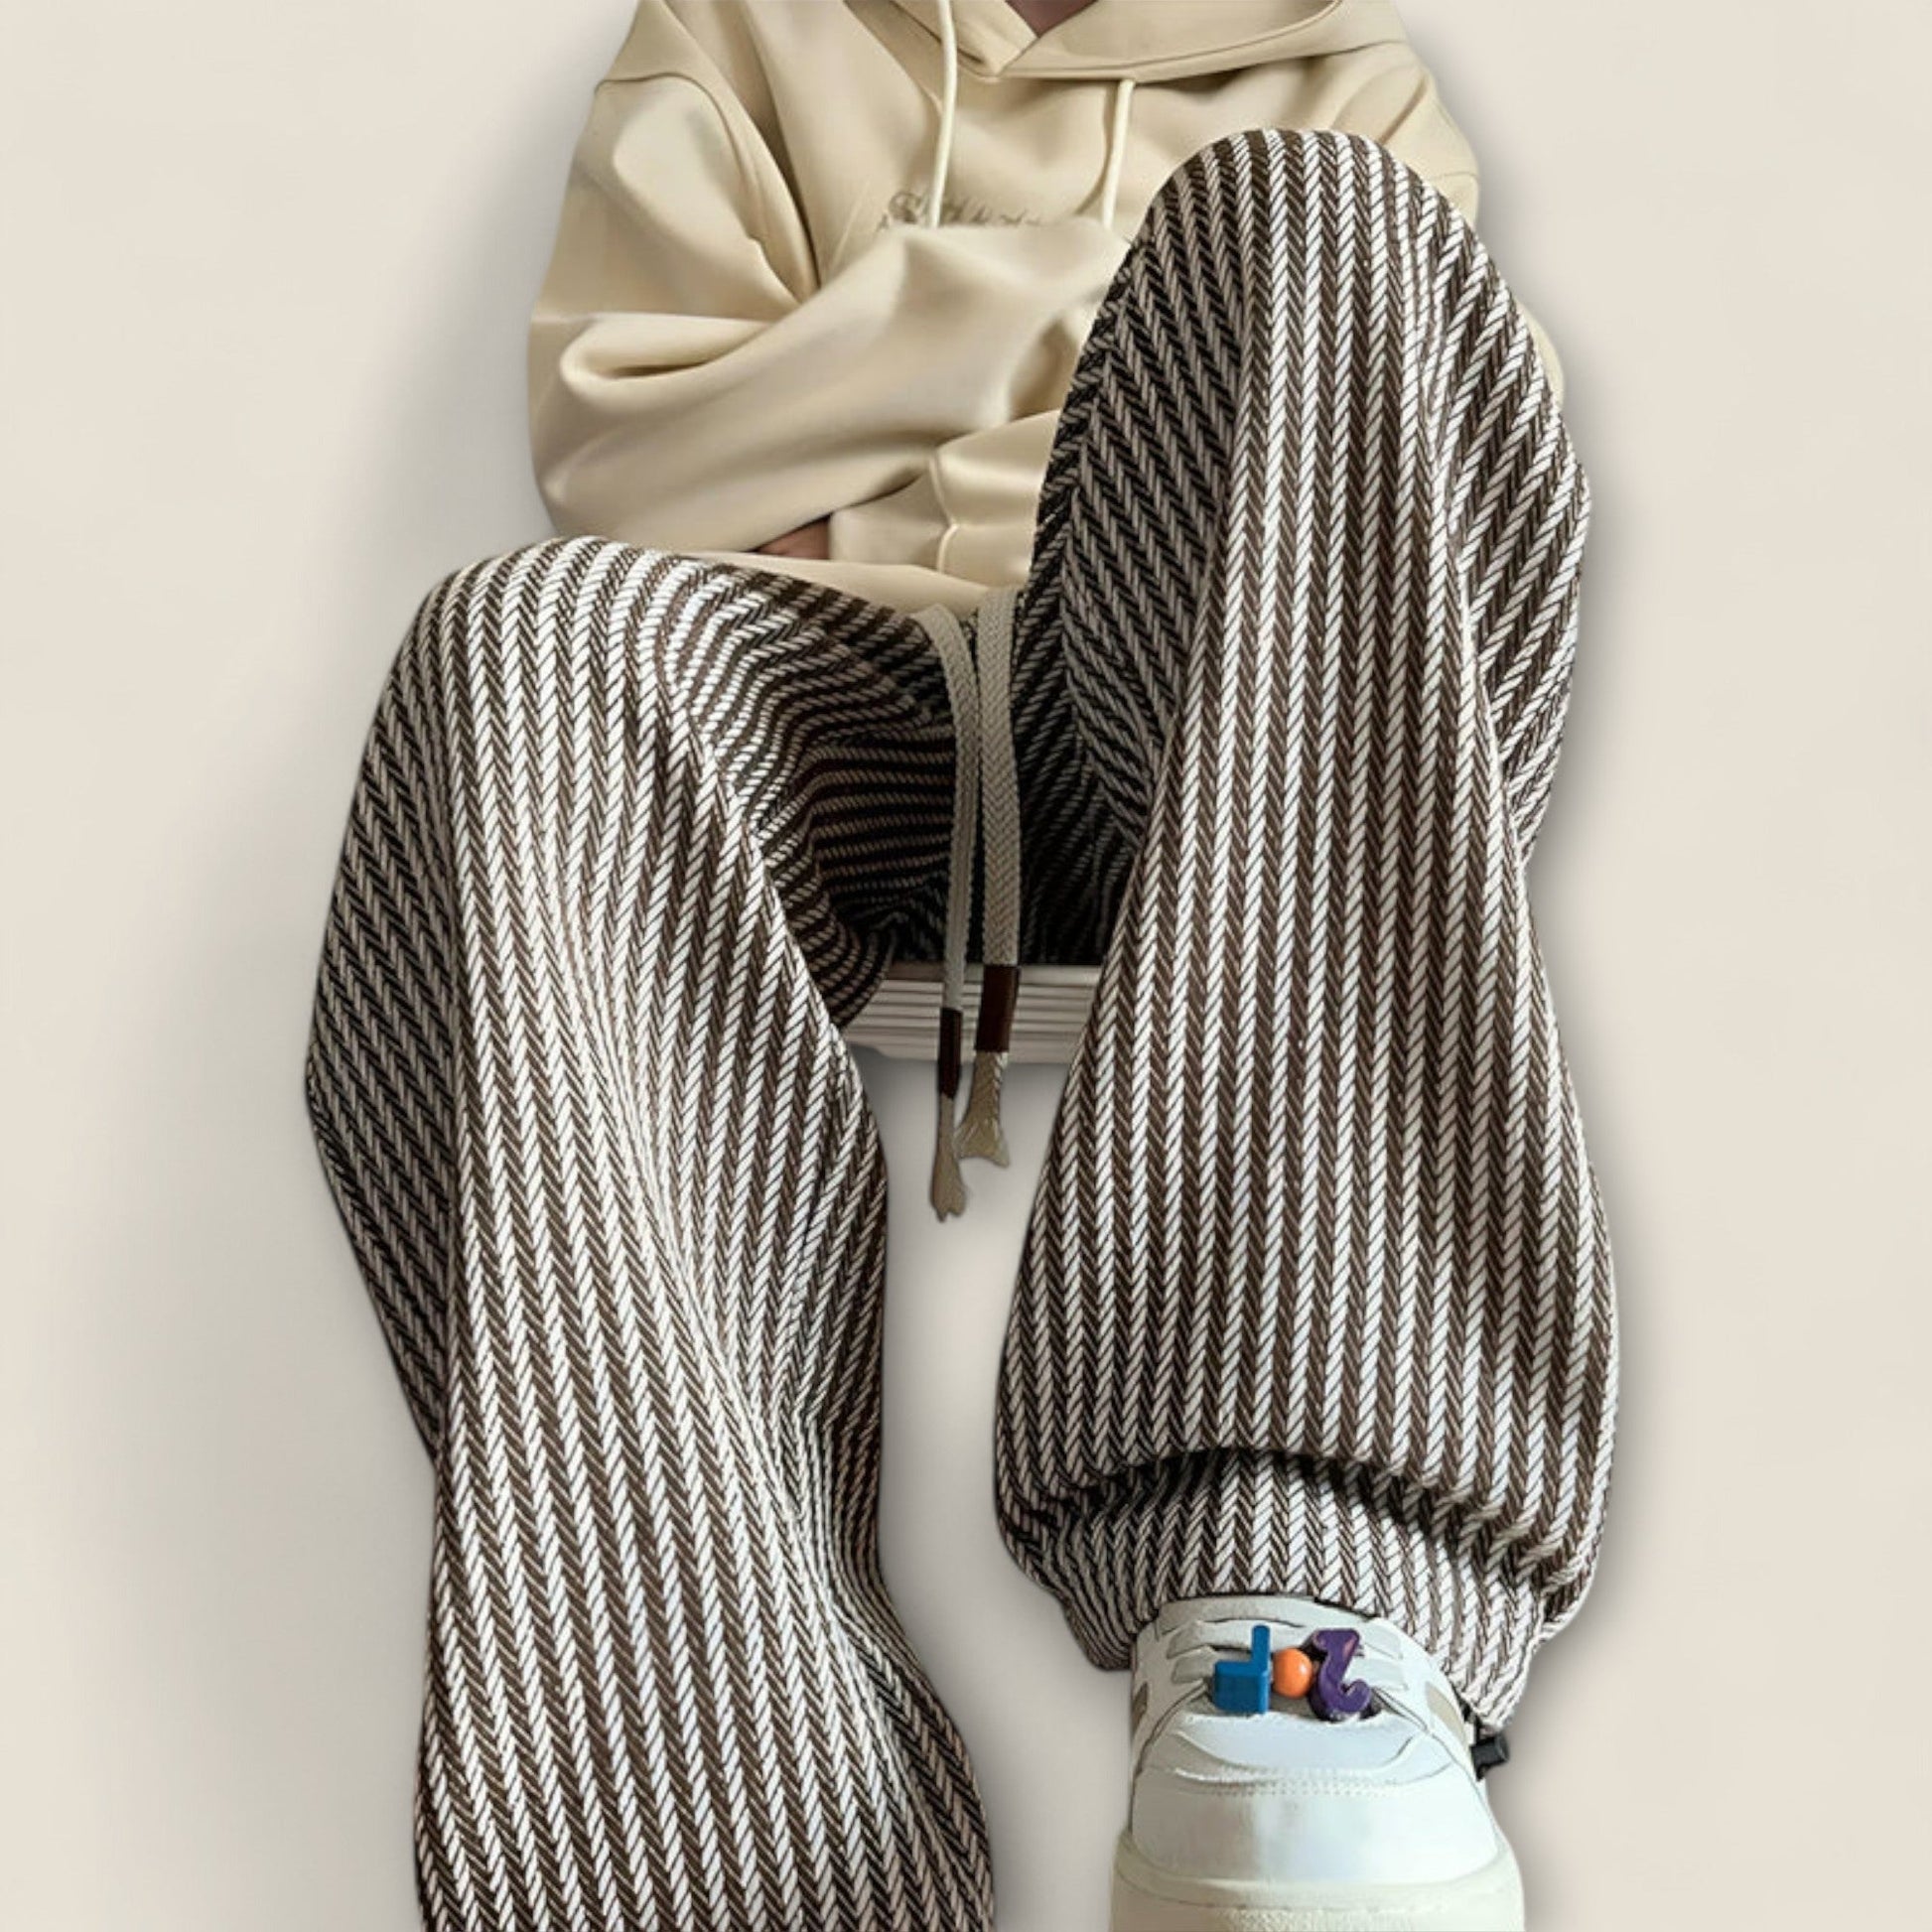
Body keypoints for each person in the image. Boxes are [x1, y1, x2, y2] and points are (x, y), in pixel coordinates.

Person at [303, 2, 1617, 1926]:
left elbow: (1388, 533)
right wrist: (1069, 319)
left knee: (1314, 220)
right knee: (529, 644)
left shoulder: (1347, 78)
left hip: (1200, 724)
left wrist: (836, 385)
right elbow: (627, 452)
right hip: (819, 692)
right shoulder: (741, 35)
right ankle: (718, 1845)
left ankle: (1301, 1616)